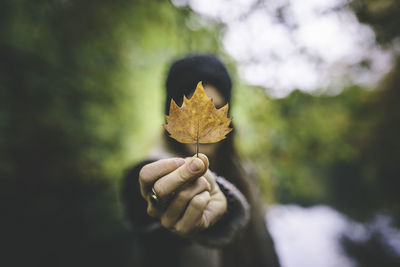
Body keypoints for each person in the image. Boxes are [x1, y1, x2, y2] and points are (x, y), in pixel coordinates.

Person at [121, 55, 280, 267]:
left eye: (215, 108)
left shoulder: (245, 173)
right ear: (172, 113)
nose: (204, 121)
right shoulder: (155, 171)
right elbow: (143, 198)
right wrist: (164, 199)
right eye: (189, 108)